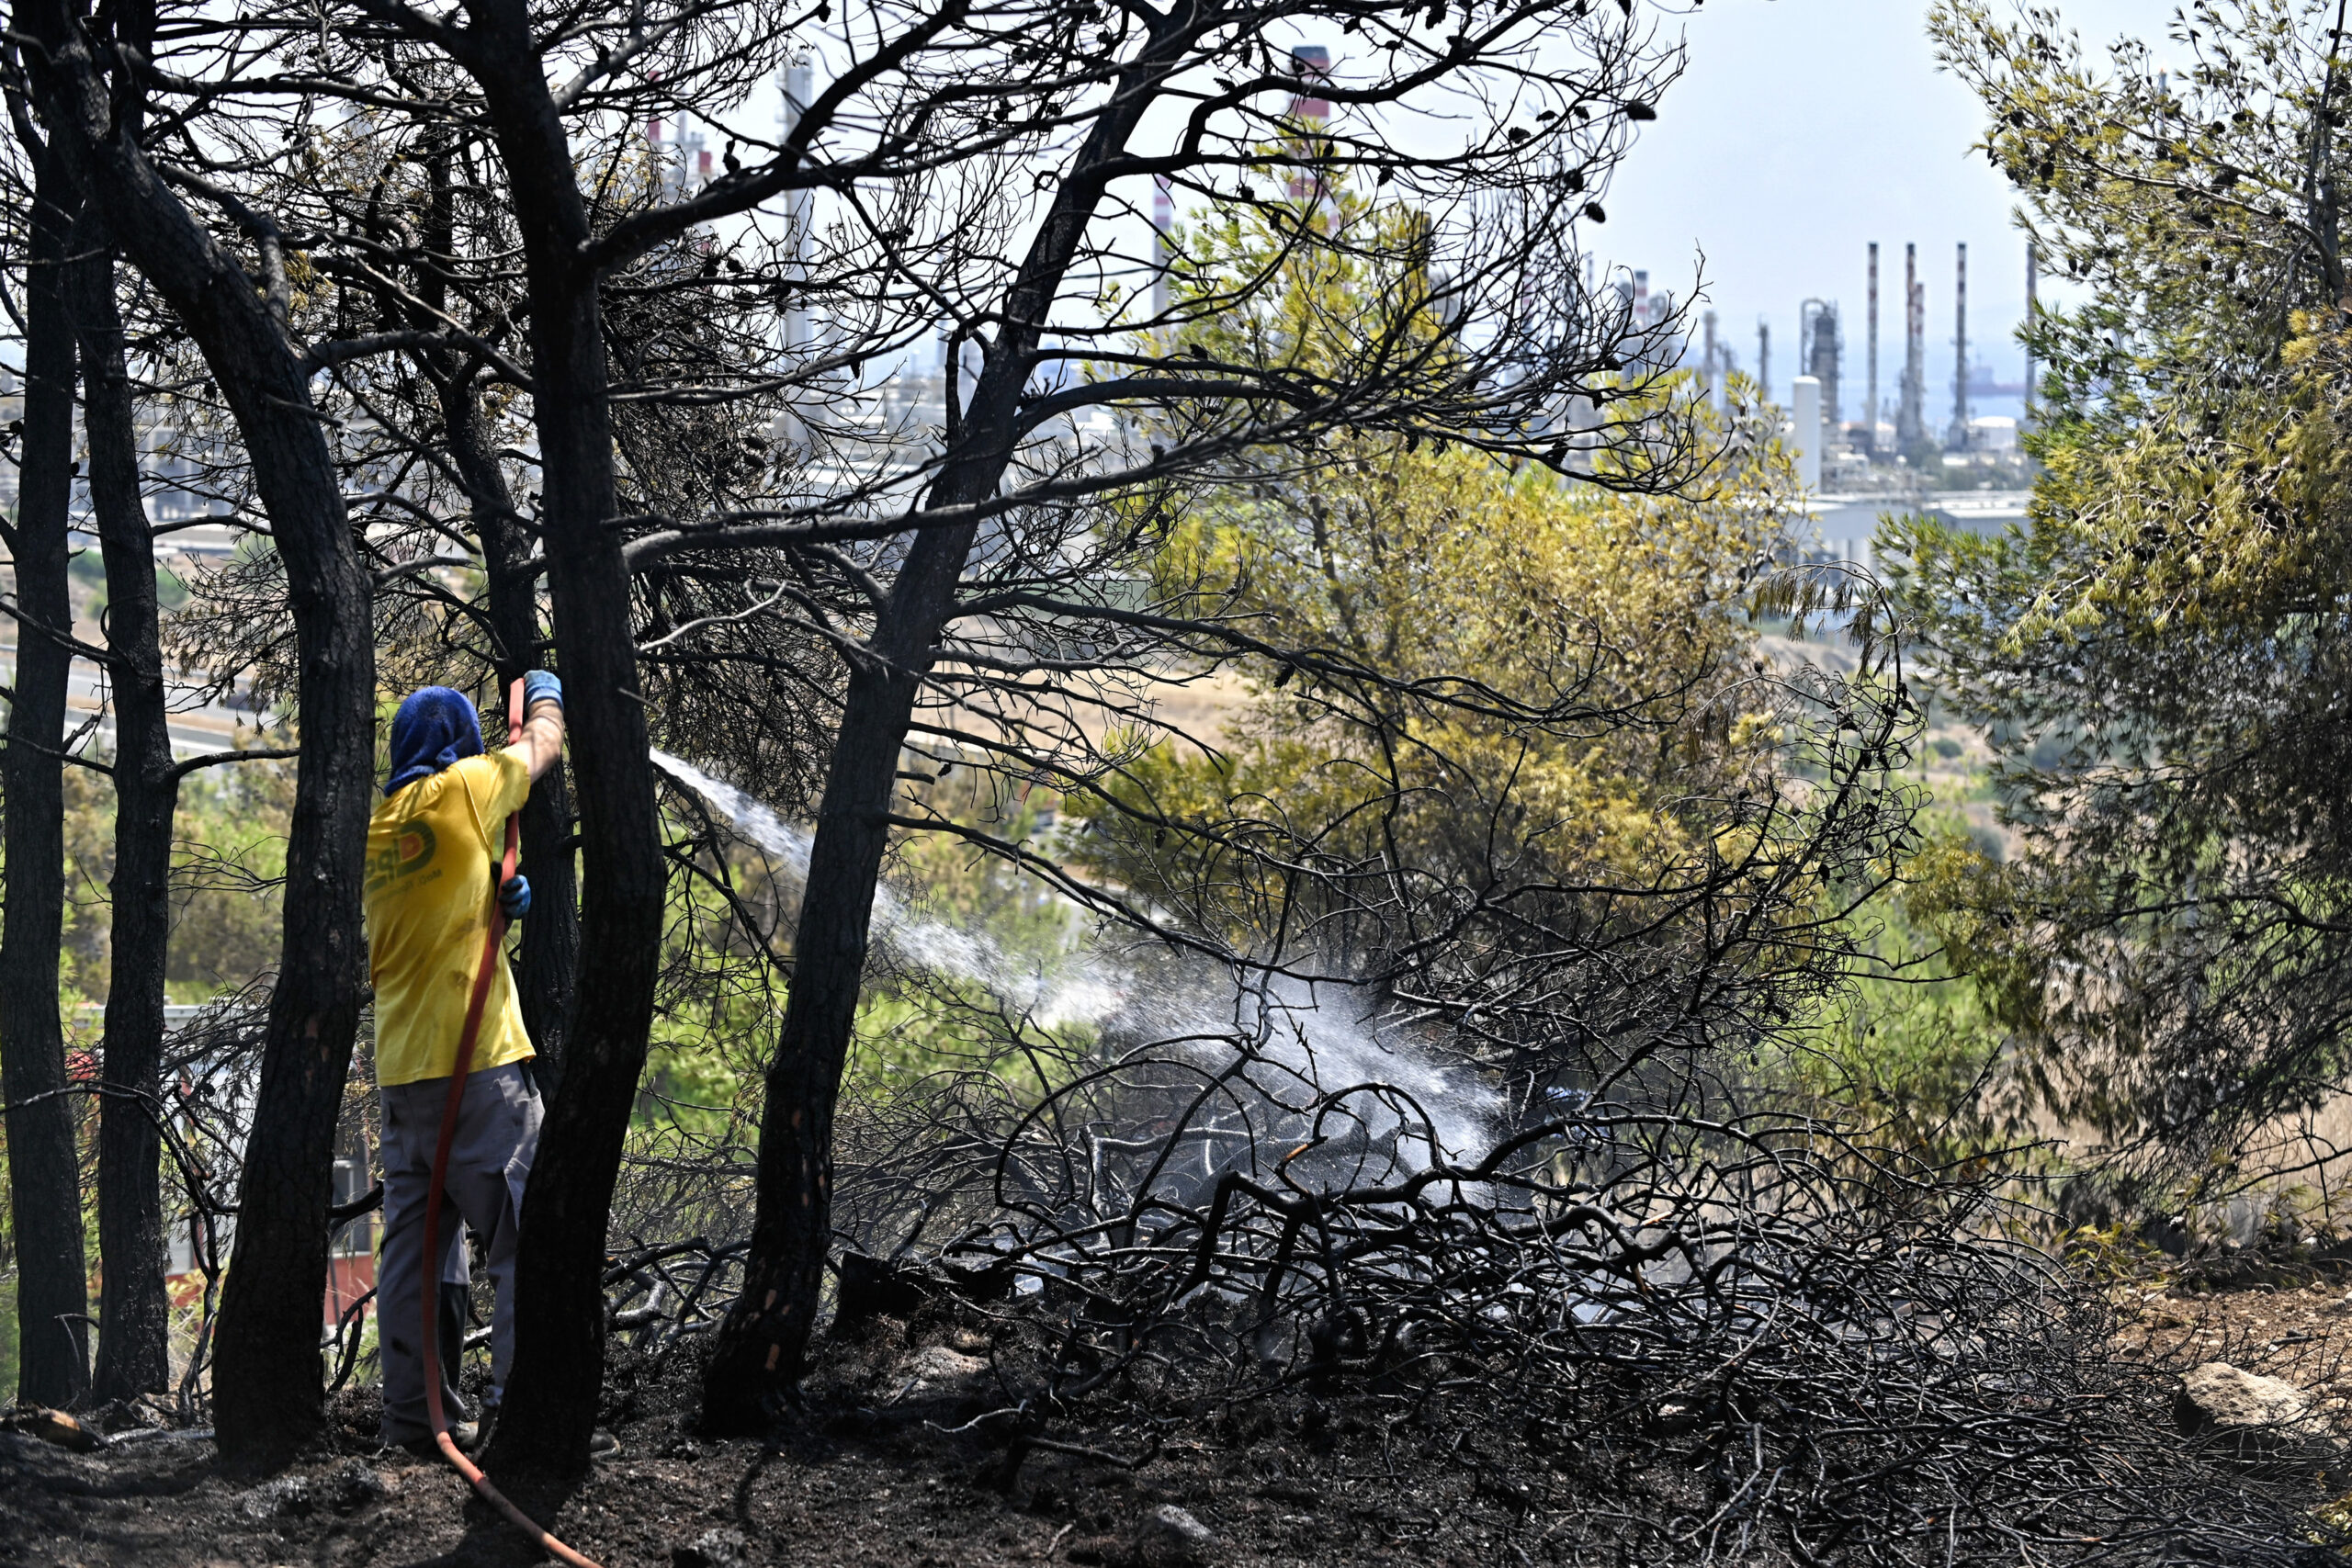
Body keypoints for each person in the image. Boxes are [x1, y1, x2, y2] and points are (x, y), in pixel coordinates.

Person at [367, 673, 564, 1453]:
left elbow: (435, 932)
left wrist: (496, 901)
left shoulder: (385, 828)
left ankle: (415, 1421)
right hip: (478, 1070)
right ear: (456, 748)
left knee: (419, 1255)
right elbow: (538, 748)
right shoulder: (466, 787)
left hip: (404, 1078)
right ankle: (524, 1420)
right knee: (529, 1232)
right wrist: (546, 698)